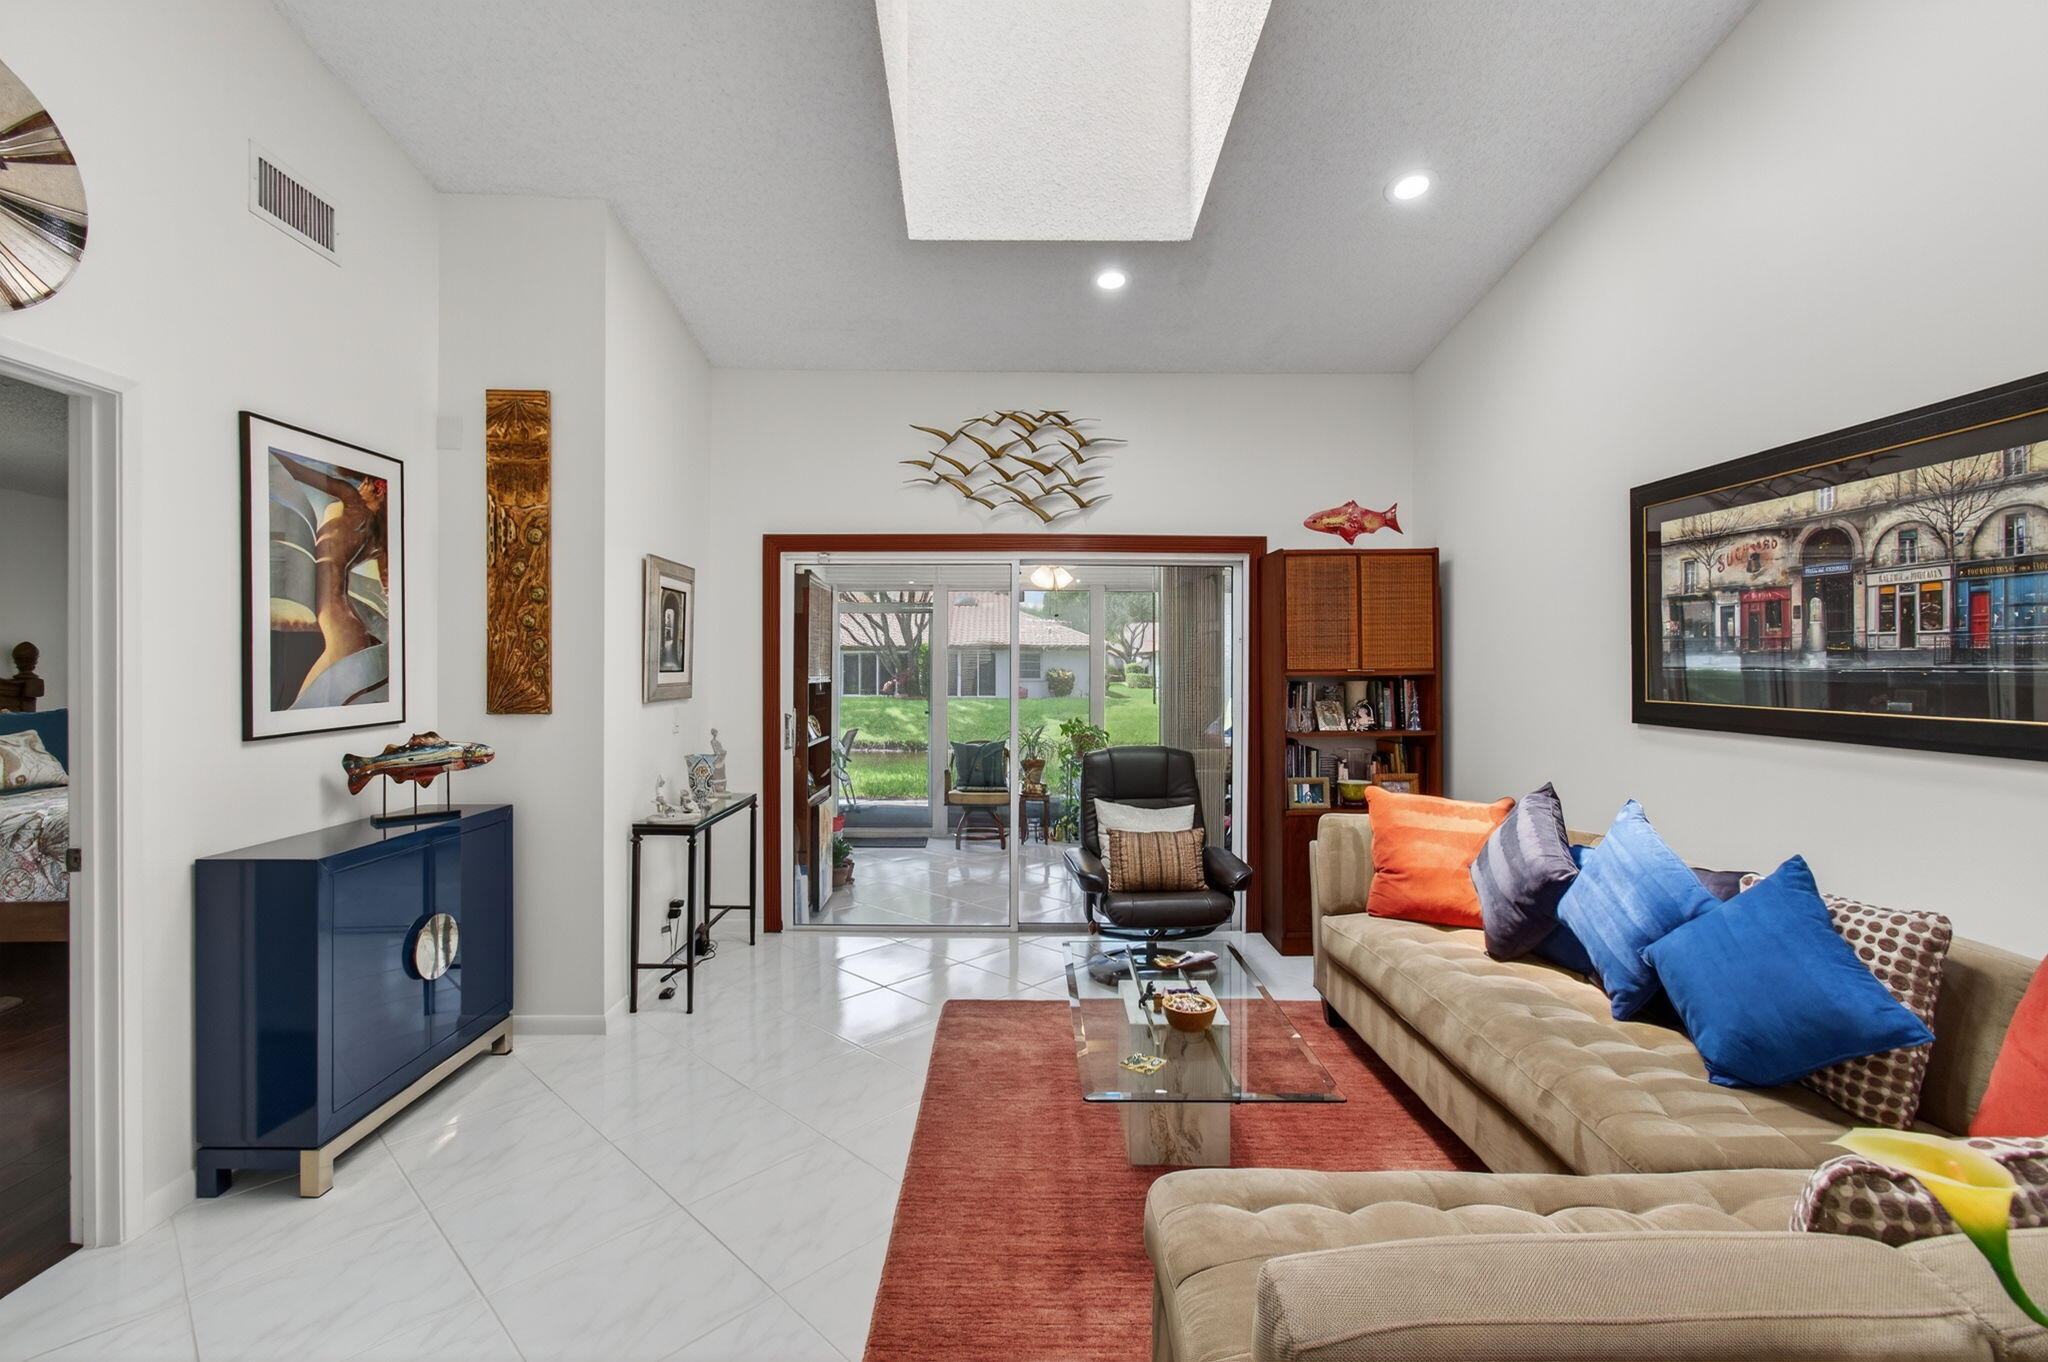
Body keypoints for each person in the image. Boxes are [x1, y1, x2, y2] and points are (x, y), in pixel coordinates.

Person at [276, 454, 386, 703]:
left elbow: (297, 470)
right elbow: (388, 585)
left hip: (338, 619)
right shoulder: (379, 539)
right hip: (347, 619)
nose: (361, 486)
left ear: (377, 489)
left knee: (314, 702)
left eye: (367, 482)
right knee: (337, 699)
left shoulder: (353, 504)